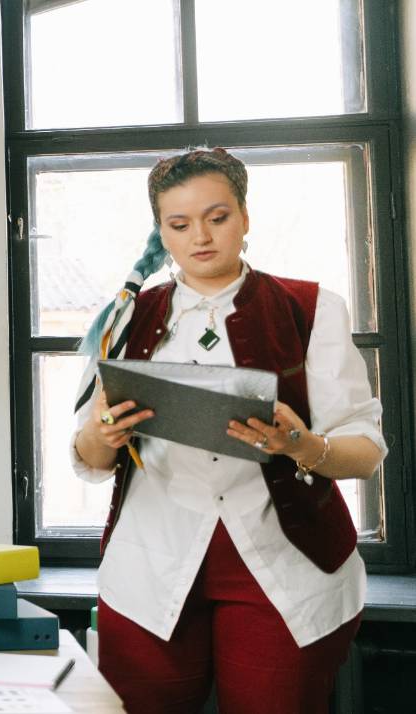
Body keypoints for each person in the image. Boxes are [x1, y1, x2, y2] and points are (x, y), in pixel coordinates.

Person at [71, 148, 385, 713]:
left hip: (286, 565)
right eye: (179, 224)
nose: (201, 237)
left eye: (217, 217)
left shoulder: (312, 308)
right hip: (150, 564)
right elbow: (88, 456)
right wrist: (105, 434)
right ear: (161, 232)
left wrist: (300, 445)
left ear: (245, 216)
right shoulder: (125, 316)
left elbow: (363, 453)